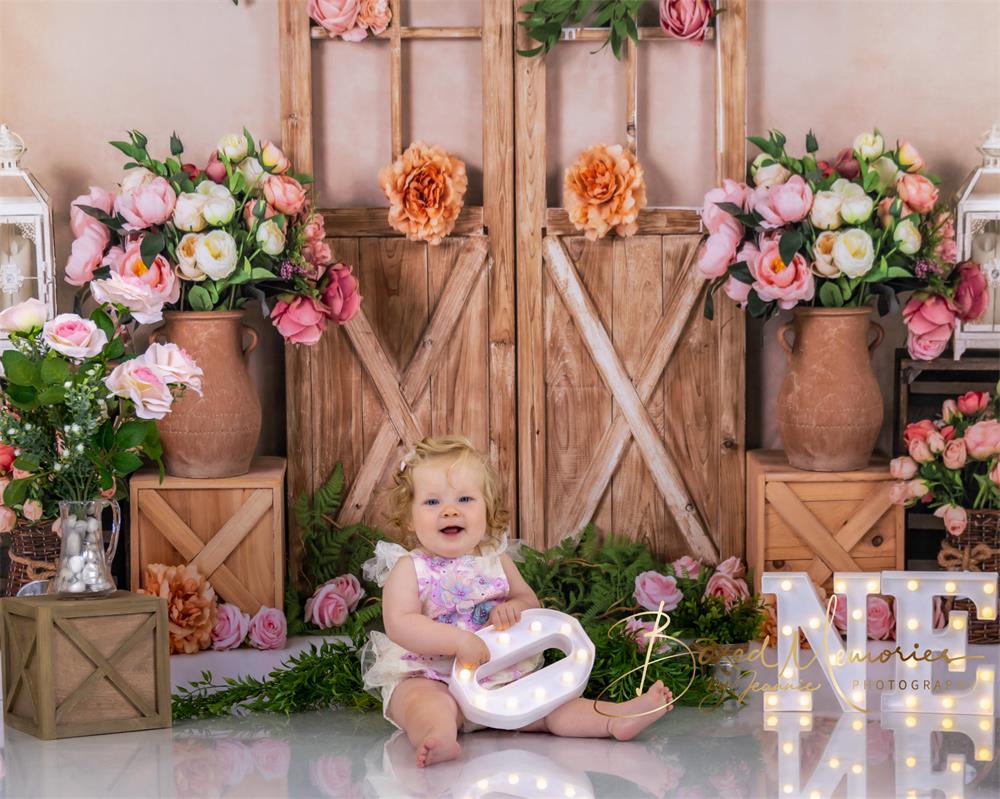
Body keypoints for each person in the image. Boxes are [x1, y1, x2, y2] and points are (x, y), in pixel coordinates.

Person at [358, 434, 673, 768]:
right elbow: (400, 622)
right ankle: (438, 737)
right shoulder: (410, 568)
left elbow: (527, 599)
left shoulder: (496, 560)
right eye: (432, 502)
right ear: (409, 518)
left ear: (487, 510)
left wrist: (516, 607)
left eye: (465, 498)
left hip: (503, 677)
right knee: (422, 703)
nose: (450, 510)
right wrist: (457, 640)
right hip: (434, 676)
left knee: (554, 704)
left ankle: (613, 718)